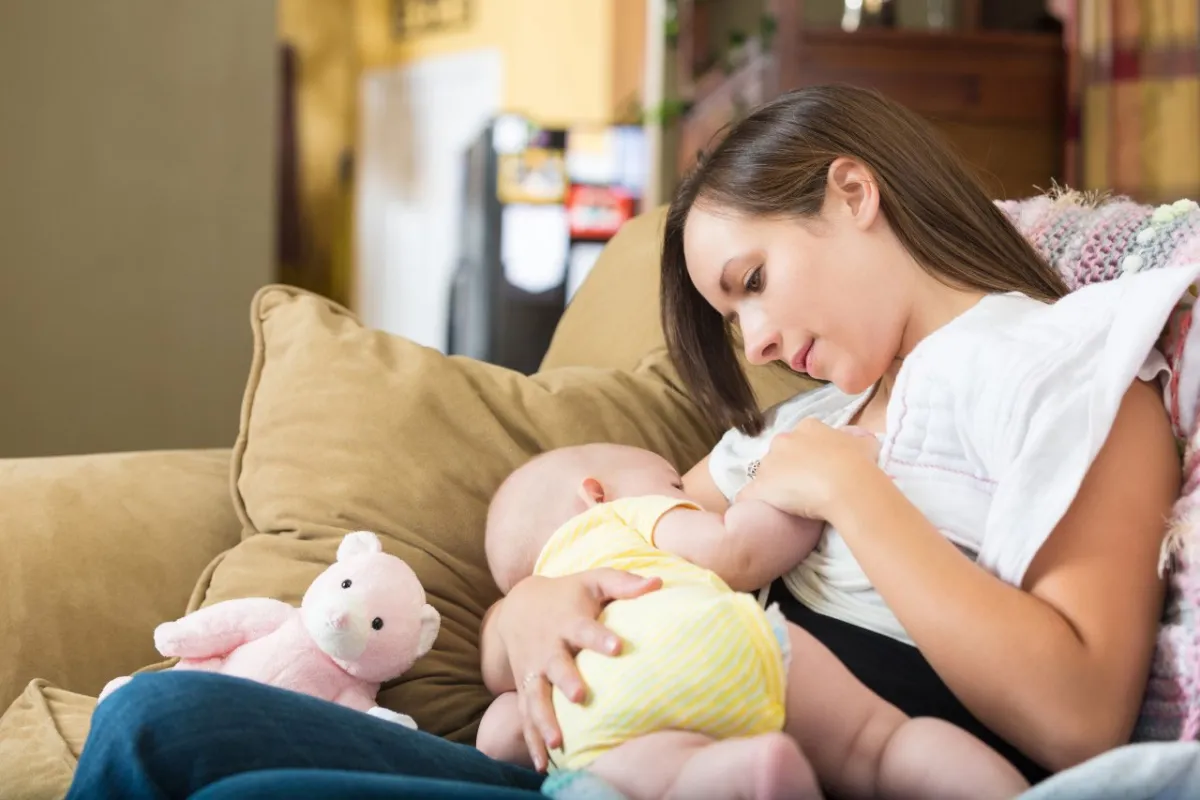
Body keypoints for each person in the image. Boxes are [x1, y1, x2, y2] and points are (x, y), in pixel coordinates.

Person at [65, 84, 1184, 798]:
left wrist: (861, 498)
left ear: (853, 192)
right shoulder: (800, 424)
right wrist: (528, 612)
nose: (757, 338)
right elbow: (622, 542)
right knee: (164, 718)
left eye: (750, 284)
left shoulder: (1071, 371)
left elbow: (1081, 719)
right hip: (589, 749)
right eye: (731, 316)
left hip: (765, 765)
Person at [475, 442, 1028, 799]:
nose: (693, 501)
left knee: (655, 779)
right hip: (712, 642)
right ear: (595, 492)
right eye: (675, 487)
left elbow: (504, 722)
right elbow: (736, 550)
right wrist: (796, 489)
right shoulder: (623, 515)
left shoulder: (539, 619)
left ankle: (745, 776)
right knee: (880, 747)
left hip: (598, 717)